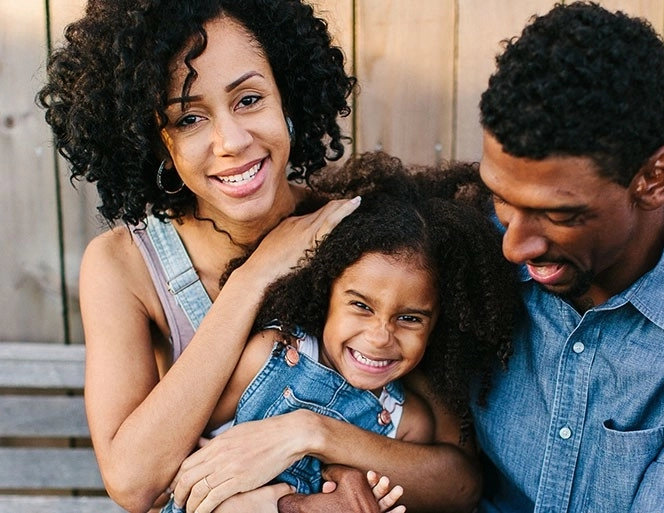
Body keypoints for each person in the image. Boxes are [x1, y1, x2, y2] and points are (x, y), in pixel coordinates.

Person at [36, 2, 482, 513]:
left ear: (286, 97)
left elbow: (460, 482)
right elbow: (134, 482)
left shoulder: (360, 238)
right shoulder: (125, 266)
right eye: (189, 118)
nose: (231, 140)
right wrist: (255, 276)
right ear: (157, 143)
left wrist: (309, 432)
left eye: (249, 99)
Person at [472, 2, 664, 512]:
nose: (513, 246)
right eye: (502, 198)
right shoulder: (469, 244)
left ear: (654, 179)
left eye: (559, 215)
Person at [163, 172, 521, 512]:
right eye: (361, 306)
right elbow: (179, 459)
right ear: (325, 292)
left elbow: (450, 491)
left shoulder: (407, 419)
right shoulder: (269, 355)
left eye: (410, 318)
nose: (380, 337)